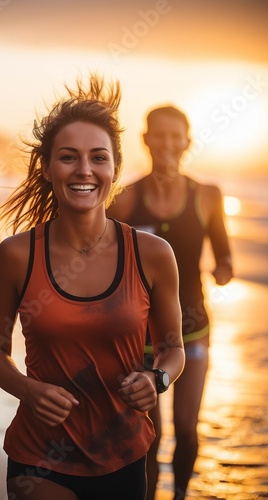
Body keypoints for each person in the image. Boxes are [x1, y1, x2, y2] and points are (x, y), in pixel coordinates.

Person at [0, 75, 186, 500]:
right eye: (68, 157)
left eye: (98, 157)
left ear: (115, 167)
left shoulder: (151, 254)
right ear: (47, 166)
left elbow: (174, 348)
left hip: (123, 452)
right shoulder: (18, 254)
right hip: (39, 456)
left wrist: (158, 379)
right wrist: (29, 390)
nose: (85, 170)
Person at [107, 105, 233, 499]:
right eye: (158, 135)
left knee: (186, 427)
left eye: (175, 136)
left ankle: (179, 494)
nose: (167, 144)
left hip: (192, 330)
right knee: (150, 433)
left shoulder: (208, 196)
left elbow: (224, 254)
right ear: (144, 139)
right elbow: (97, 255)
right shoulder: (125, 199)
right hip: (138, 338)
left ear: (187, 142)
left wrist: (224, 270)